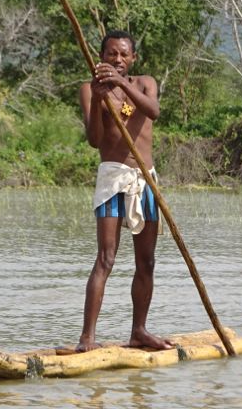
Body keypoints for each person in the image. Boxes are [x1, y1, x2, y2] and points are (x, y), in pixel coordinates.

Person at [76, 30, 173, 352]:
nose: (116, 60)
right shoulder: (91, 89)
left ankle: (139, 332)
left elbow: (154, 111)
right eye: (110, 54)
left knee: (146, 261)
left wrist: (120, 84)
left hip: (145, 179)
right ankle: (87, 338)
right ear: (101, 57)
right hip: (113, 178)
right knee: (106, 258)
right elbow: (95, 139)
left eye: (123, 55)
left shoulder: (144, 83)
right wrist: (101, 98)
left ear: (132, 58)